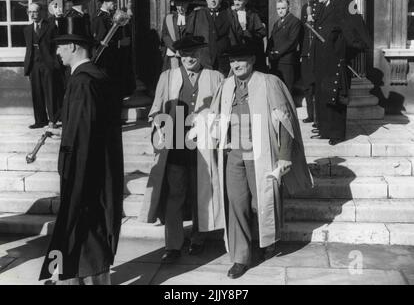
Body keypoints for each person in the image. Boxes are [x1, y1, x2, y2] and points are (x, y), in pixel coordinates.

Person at [210, 44, 313, 279]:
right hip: (234, 153)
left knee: (262, 202)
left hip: (262, 152)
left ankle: (268, 241)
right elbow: (216, 118)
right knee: (236, 203)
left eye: (241, 60)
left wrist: (285, 155)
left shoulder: (269, 82)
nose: (236, 65)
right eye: (232, 61)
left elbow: (284, 120)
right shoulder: (225, 86)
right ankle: (241, 258)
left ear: (253, 60)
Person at [39, 16, 124, 285]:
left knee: (83, 232)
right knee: (88, 232)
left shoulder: (83, 82)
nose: (57, 52)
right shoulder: (97, 78)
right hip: (98, 170)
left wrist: (73, 174)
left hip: (84, 172)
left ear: (74, 46)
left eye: (60, 46)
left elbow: (83, 137)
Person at [139, 36, 224, 263]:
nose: (190, 58)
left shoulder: (215, 77)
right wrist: (160, 125)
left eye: (194, 54)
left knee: (201, 191)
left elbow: (222, 110)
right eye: (185, 55)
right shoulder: (167, 77)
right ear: (179, 56)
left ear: (202, 55)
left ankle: (198, 237)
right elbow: (156, 108)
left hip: (203, 144)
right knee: (175, 192)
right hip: (175, 144)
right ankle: (173, 244)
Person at [312, 0, 371, 145]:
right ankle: (326, 130)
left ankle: (337, 133)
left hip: (336, 58)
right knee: (324, 93)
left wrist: (345, 52)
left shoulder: (348, 2)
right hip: (323, 58)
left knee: (335, 94)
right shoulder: (327, 2)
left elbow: (358, 30)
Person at [24, 3, 64, 129]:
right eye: (30, 12)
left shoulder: (50, 26)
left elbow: (59, 38)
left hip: (48, 64)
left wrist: (58, 17)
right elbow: (29, 49)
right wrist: (27, 69)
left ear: (41, 12)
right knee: (37, 93)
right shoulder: (27, 29)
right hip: (34, 65)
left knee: (51, 92)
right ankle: (40, 120)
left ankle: (53, 119)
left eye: (35, 11)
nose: (32, 14)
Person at [186, 0, 240, 75]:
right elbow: (189, 38)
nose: (213, 0)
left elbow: (236, 37)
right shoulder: (196, 15)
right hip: (202, 62)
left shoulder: (230, 14)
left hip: (224, 62)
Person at [300, 0, 325, 124]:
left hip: (318, 51)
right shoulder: (305, 7)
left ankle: (318, 117)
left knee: (318, 86)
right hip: (306, 52)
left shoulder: (323, 6)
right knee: (307, 86)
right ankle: (311, 115)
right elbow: (303, 32)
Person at [267, 0, 302, 93]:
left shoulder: (294, 21)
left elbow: (292, 41)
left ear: (288, 8)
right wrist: (268, 52)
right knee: (276, 88)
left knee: (286, 88)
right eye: (278, 8)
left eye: (283, 8)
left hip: (286, 60)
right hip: (275, 60)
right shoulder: (276, 23)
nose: (280, 10)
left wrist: (278, 52)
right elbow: (271, 39)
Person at [229, 0, 267, 71]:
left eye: (239, 0)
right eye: (235, 0)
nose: (236, 3)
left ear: (245, 1)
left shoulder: (253, 15)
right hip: (234, 52)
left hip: (249, 51)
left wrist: (246, 31)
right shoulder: (229, 14)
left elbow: (261, 32)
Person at [161, 0, 193, 71]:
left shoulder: (192, 17)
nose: (181, 7)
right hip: (173, 54)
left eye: (183, 4)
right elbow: (165, 35)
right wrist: (175, 48)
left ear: (188, 4)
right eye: (178, 4)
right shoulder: (169, 18)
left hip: (189, 54)